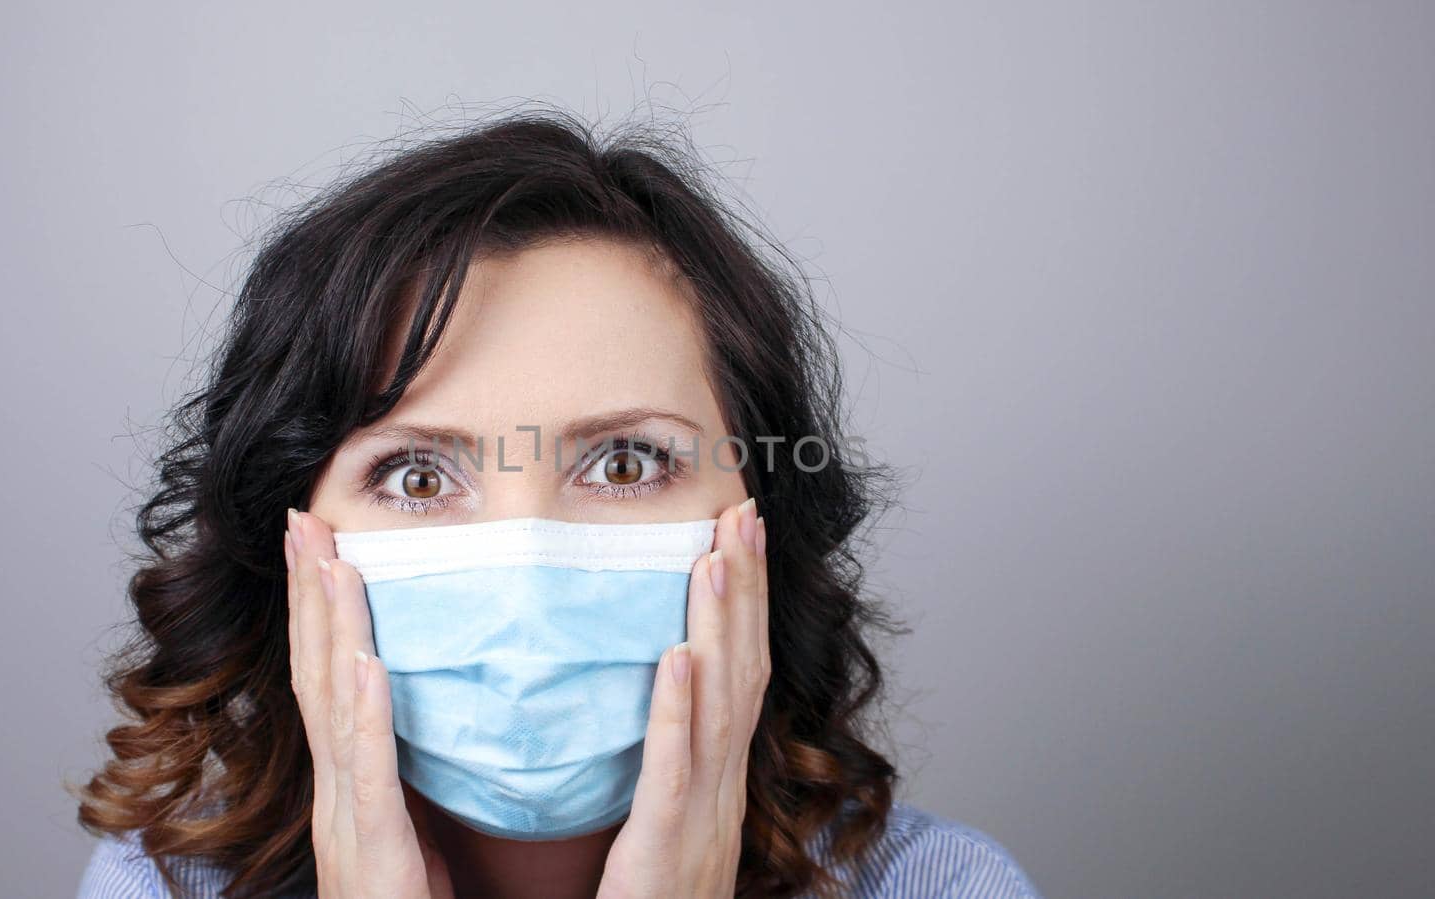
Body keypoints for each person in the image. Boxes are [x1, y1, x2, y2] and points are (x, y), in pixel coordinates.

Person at [72, 109, 1043, 899]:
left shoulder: (937, 885)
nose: (525, 568)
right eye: (417, 477)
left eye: (625, 463)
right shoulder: (162, 885)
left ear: (762, 517)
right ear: (287, 541)